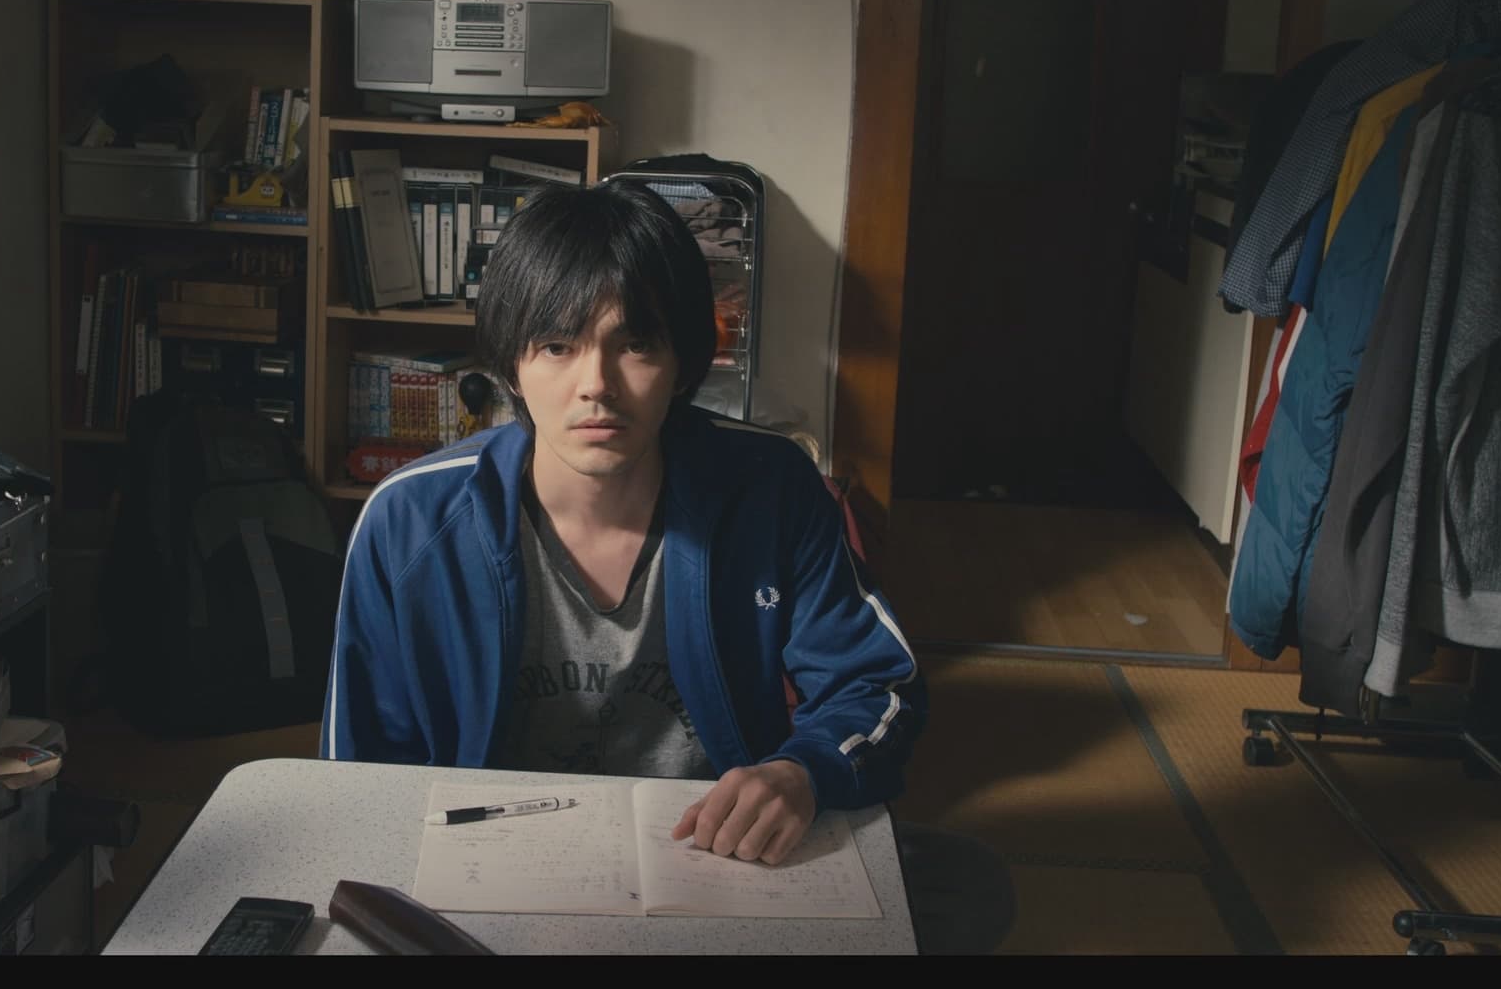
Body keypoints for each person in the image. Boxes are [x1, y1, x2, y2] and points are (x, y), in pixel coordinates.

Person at [320, 180, 1012, 953]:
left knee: (968, 885)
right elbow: (358, 773)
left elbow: (875, 684)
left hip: (711, 853)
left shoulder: (771, 488)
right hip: (496, 863)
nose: (597, 385)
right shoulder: (410, 519)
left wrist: (803, 773)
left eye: (636, 344)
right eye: (558, 345)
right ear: (512, 363)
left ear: (683, 362)